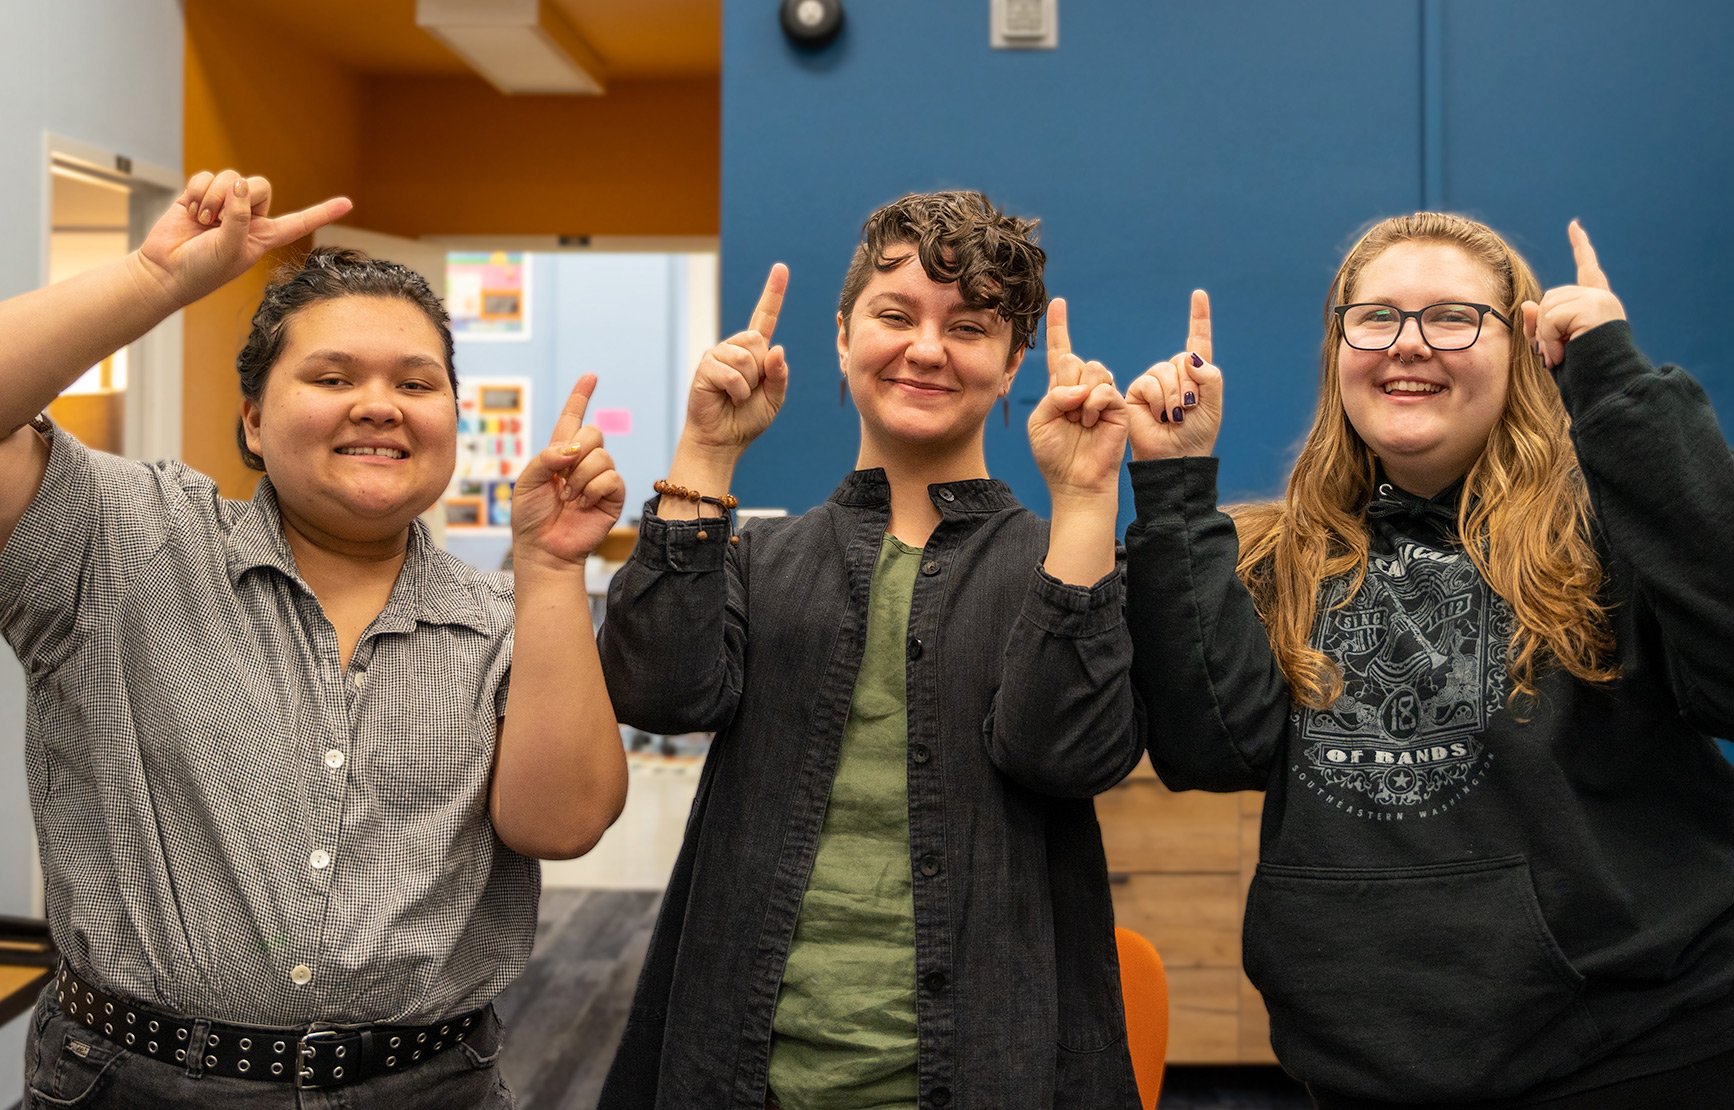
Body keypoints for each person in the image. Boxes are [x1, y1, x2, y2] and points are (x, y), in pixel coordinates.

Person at [0, 169, 630, 1108]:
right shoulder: (127, 539)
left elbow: (562, 824)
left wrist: (547, 569)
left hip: (427, 1086)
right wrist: (151, 279)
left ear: (450, 422)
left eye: (417, 383)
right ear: (253, 419)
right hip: (132, 1082)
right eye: (331, 377)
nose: (379, 404)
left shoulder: (502, 616)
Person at [1123, 215, 1734, 1107]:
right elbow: (1209, 752)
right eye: (1375, 318)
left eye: (1453, 317)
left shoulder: (1611, 527)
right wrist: (1174, 488)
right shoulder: (1274, 559)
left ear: (1522, 346)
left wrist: (1615, 383)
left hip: (1644, 1055)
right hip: (1363, 1070)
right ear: (1340, 351)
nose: (1408, 346)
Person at [597, 191, 1146, 1108]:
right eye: (896, 316)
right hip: (744, 1066)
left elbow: (1068, 755)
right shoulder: (760, 558)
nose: (927, 349)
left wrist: (1087, 500)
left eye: (968, 327)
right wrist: (704, 453)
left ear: (1012, 365)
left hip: (986, 1067)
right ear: (844, 337)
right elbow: (654, 691)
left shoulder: (1063, 567)